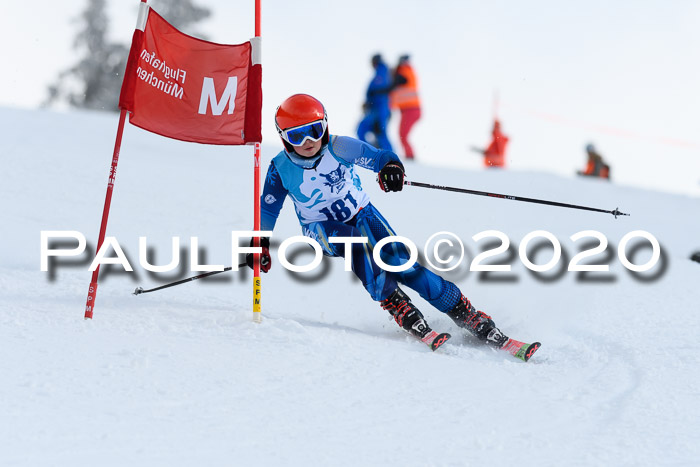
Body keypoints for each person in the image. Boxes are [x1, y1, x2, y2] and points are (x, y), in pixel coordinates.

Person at [248, 93, 534, 357]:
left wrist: (391, 168)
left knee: (401, 262)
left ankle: (464, 311)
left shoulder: (339, 146)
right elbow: (268, 207)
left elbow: (379, 157)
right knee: (354, 244)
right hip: (321, 228)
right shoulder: (279, 168)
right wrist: (259, 241)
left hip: (363, 214)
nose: (308, 141)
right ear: (284, 138)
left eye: (314, 130)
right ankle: (395, 302)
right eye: (297, 136)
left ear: (325, 125)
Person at [357, 54, 393, 152]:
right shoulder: (382, 72)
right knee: (378, 131)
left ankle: (372, 152)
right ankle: (377, 151)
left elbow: (379, 92)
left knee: (371, 130)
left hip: (378, 109)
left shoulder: (381, 71)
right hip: (377, 109)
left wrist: (370, 103)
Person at [389, 55, 421, 160]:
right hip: (410, 110)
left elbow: (401, 80)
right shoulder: (407, 71)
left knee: (403, 135)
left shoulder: (405, 71)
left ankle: (410, 156)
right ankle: (409, 155)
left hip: (411, 110)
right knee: (403, 134)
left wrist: (392, 75)